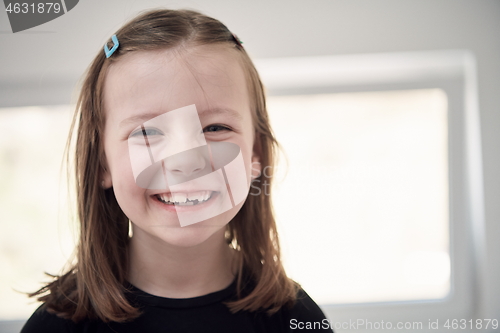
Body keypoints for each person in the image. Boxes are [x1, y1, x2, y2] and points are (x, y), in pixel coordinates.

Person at [21, 8, 333, 332]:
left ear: (255, 155)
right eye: (147, 133)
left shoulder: (295, 317)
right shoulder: (58, 325)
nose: (185, 162)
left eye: (214, 127)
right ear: (102, 164)